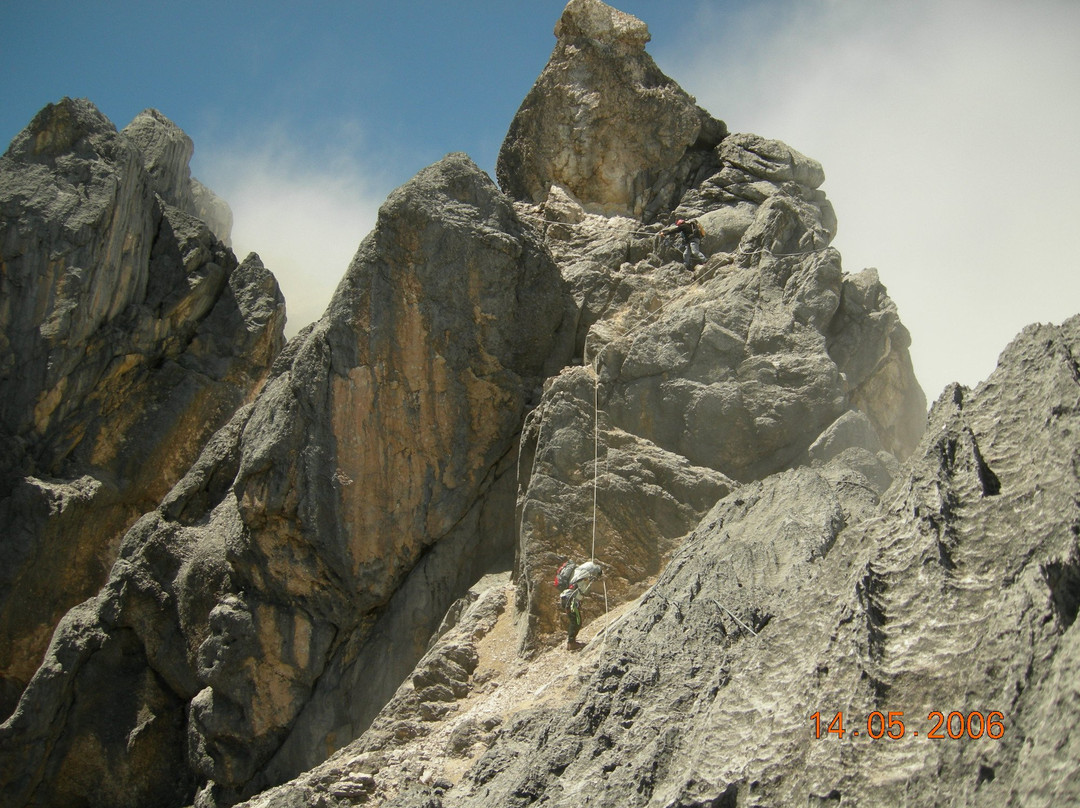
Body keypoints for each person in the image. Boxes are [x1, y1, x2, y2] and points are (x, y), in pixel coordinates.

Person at [559, 560, 603, 650]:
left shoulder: (576, 572)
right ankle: (571, 643)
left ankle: (571, 642)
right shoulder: (582, 576)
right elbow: (584, 591)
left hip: (565, 598)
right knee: (577, 621)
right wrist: (591, 582)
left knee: (574, 620)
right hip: (571, 600)